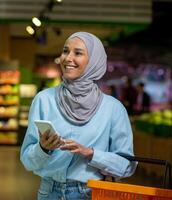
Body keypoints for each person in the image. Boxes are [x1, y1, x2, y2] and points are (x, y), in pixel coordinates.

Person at [20, 32, 137, 200]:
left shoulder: (113, 109)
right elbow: (27, 161)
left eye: (78, 53)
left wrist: (91, 153)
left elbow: (126, 166)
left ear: (94, 61)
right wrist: (43, 148)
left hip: (90, 193)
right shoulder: (43, 100)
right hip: (48, 192)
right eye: (65, 51)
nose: (68, 58)